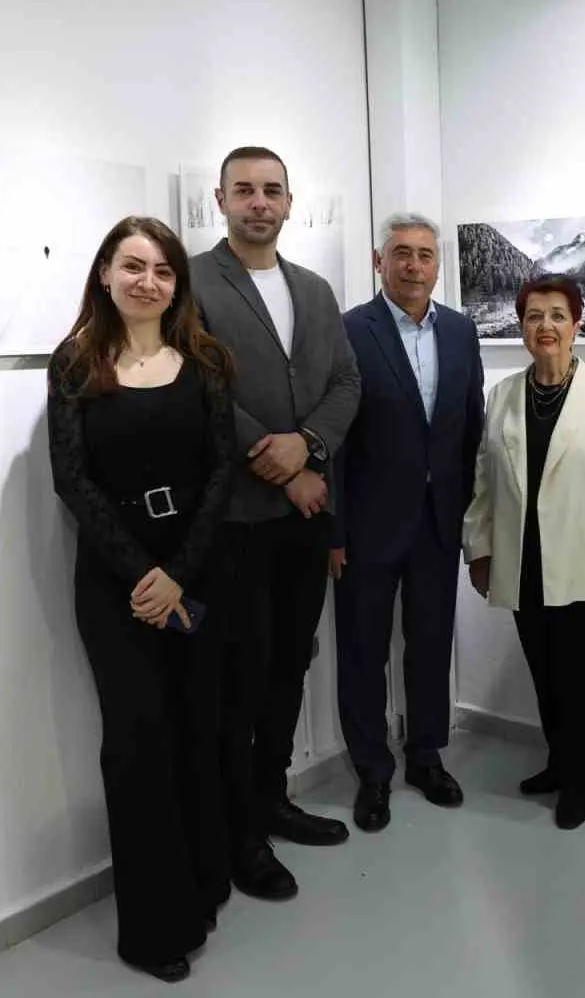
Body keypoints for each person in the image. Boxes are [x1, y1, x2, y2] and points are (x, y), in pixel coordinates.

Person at [48, 216, 236, 983]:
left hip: (197, 570)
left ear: (176, 283)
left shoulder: (206, 360)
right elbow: (72, 479)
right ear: (104, 273)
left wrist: (181, 573)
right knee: (136, 744)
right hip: (115, 585)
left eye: (162, 269)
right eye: (132, 266)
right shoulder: (75, 362)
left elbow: (222, 468)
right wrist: (142, 575)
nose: (147, 281)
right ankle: (154, 930)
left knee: (200, 726)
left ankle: (203, 883)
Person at [190, 147, 361, 902]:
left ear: (290, 202)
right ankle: (240, 831)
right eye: (244, 190)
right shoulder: (191, 281)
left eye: (272, 191)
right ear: (220, 199)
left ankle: (273, 796)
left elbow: (345, 381)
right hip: (239, 518)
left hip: (304, 517)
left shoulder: (316, 290)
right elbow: (196, 383)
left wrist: (311, 446)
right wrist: (288, 464)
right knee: (242, 674)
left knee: (291, 660)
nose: (259, 202)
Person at [462, 275, 585, 830]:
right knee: (544, 674)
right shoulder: (504, 395)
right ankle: (558, 762)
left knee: (583, 679)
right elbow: (486, 479)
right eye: (534, 316)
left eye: (557, 316)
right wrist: (480, 548)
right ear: (521, 328)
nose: (546, 327)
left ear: (577, 323)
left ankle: (579, 781)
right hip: (524, 560)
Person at [332, 213, 484, 833]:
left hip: (437, 521)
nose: (413, 265)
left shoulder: (460, 330)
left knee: (430, 643)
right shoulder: (349, 331)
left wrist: (468, 514)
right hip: (367, 525)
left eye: (424, 254)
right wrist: (334, 531)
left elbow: (470, 425)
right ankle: (372, 771)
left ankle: (426, 754)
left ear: (437, 264)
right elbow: (335, 440)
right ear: (379, 261)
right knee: (364, 651)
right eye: (401, 253)